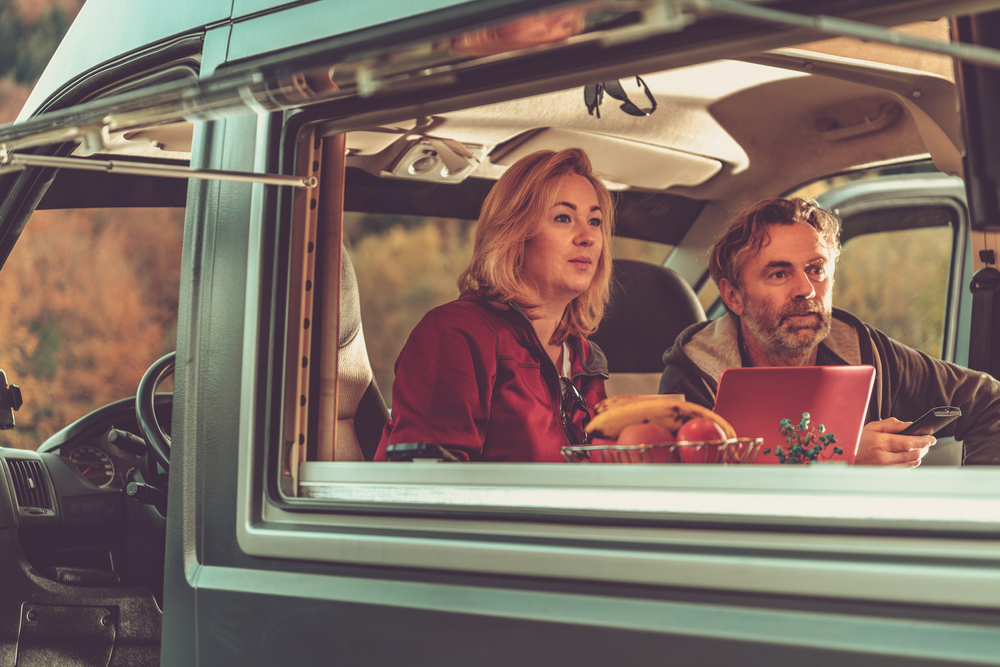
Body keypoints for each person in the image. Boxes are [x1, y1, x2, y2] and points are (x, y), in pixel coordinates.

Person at [659, 197, 1000, 466]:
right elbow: (704, 502)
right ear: (733, 297)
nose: (806, 289)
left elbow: (991, 402)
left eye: (816, 269)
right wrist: (843, 458)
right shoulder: (693, 378)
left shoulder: (862, 348)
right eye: (779, 274)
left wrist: (981, 511)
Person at [373, 148, 614, 462]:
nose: (588, 237)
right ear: (514, 232)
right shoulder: (456, 334)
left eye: (595, 221)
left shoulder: (585, 357)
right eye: (563, 218)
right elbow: (426, 489)